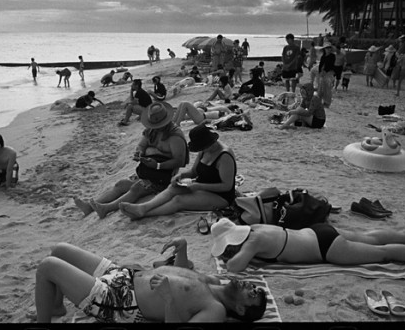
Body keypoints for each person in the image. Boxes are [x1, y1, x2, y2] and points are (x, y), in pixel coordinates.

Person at [34, 237, 267, 323]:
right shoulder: (214, 282)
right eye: (255, 287)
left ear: (240, 309)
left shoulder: (214, 310)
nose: (250, 286)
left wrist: (167, 299)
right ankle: (55, 306)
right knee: (60, 249)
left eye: (253, 294)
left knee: (47, 267)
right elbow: (183, 275)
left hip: (120, 301)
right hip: (124, 274)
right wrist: (182, 249)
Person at [75, 102, 188, 219]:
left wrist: (158, 165)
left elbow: (179, 161)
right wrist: (139, 152)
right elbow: (141, 145)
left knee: (137, 188)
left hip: (164, 175)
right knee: (121, 184)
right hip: (148, 170)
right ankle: (89, 207)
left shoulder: (175, 136)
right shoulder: (152, 131)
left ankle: (106, 208)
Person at [209, 219, 405, 272]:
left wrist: (233, 255)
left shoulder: (253, 242)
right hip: (317, 231)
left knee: (382, 254)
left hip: (325, 249)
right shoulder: (256, 227)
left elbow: (234, 268)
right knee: (369, 237)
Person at [120, 124, 237, 220]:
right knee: (173, 188)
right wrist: (181, 175)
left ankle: (144, 214)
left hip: (221, 196)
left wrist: (198, 185)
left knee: (178, 200)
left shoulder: (224, 156)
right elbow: (194, 172)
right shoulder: (204, 150)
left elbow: (227, 186)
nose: (200, 150)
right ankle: (143, 207)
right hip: (202, 187)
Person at [173, 101, 239, 126]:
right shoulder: (225, 114)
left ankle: (177, 123)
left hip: (201, 118)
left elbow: (215, 121)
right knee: (182, 104)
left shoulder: (226, 116)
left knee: (185, 104)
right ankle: (174, 121)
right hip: (201, 115)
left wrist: (203, 122)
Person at [317, 42, 335, 108]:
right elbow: (320, 65)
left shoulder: (332, 56)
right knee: (321, 88)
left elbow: (331, 65)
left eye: (329, 48)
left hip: (329, 73)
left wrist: (325, 71)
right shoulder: (323, 56)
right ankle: (319, 101)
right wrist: (320, 72)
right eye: (327, 48)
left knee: (327, 88)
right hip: (322, 73)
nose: (328, 49)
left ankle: (327, 102)